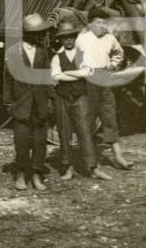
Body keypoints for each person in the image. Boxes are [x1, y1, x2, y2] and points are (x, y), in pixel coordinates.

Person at [50, 20, 111, 181]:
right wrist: (77, 73)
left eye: (71, 37)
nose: (68, 40)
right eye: (64, 38)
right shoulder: (57, 57)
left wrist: (67, 74)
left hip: (80, 98)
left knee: (85, 132)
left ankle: (93, 168)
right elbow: (56, 76)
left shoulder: (85, 54)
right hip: (63, 98)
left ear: (75, 37)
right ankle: (67, 167)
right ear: (60, 40)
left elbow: (87, 73)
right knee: (64, 133)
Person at [2, 13, 54, 192]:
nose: (39, 36)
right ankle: (22, 174)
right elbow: (7, 79)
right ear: (26, 33)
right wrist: (8, 103)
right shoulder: (12, 52)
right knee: (22, 141)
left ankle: (37, 174)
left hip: (39, 104)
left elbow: (47, 77)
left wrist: (51, 100)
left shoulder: (43, 51)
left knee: (40, 141)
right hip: (21, 104)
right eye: (36, 33)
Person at [75, 9, 132, 170]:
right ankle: (90, 159)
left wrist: (113, 65)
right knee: (88, 118)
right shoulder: (82, 38)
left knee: (109, 116)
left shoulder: (110, 38)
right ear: (90, 23)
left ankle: (118, 156)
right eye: (98, 23)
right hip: (88, 79)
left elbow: (119, 53)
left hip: (104, 78)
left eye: (104, 23)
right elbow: (74, 58)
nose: (102, 26)